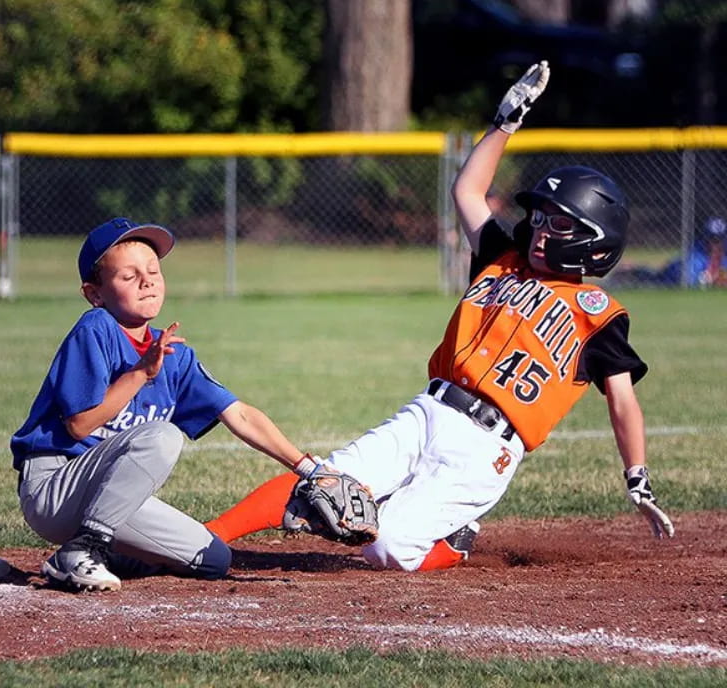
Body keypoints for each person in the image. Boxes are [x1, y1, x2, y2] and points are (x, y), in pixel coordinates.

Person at [206, 61, 675, 571]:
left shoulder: (599, 314)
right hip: (429, 409)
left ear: (593, 238)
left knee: (385, 548)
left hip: (486, 449)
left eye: (558, 223)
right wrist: (504, 124)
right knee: (323, 484)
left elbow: (624, 403)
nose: (539, 230)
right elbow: (467, 192)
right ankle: (200, 541)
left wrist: (637, 477)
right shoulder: (502, 259)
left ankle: (454, 541)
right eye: (538, 218)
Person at [10, 217, 317, 591]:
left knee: (213, 559)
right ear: (95, 294)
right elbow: (79, 425)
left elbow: (241, 415)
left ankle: (100, 553)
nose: (147, 280)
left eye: (153, 270)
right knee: (162, 436)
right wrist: (139, 373)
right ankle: (81, 550)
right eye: (128, 276)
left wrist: (309, 469)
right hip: (55, 487)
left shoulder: (173, 354)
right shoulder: (95, 328)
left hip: (107, 500)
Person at [616, 215, 727, 287]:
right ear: (705, 238)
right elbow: (688, 282)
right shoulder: (695, 258)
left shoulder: (723, 257)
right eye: (712, 239)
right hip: (672, 273)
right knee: (654, 279)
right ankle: (632, 269)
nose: (715, 243)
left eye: (719, 239)